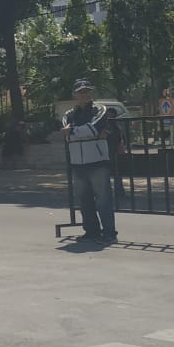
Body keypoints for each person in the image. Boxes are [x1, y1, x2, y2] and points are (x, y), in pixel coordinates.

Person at [63, 78, 117, 241]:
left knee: (103, 199)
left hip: (97, 161)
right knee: (84, 200)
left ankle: (109, 232)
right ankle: (91, 231)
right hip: (78, 163)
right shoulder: (69, 114)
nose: (84, 94)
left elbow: (93, 128)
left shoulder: (100, 109)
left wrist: (72, 131)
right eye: (81, 92)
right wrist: (84, 132)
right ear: (74, 95)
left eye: (87, 91)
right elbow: (71, 132)